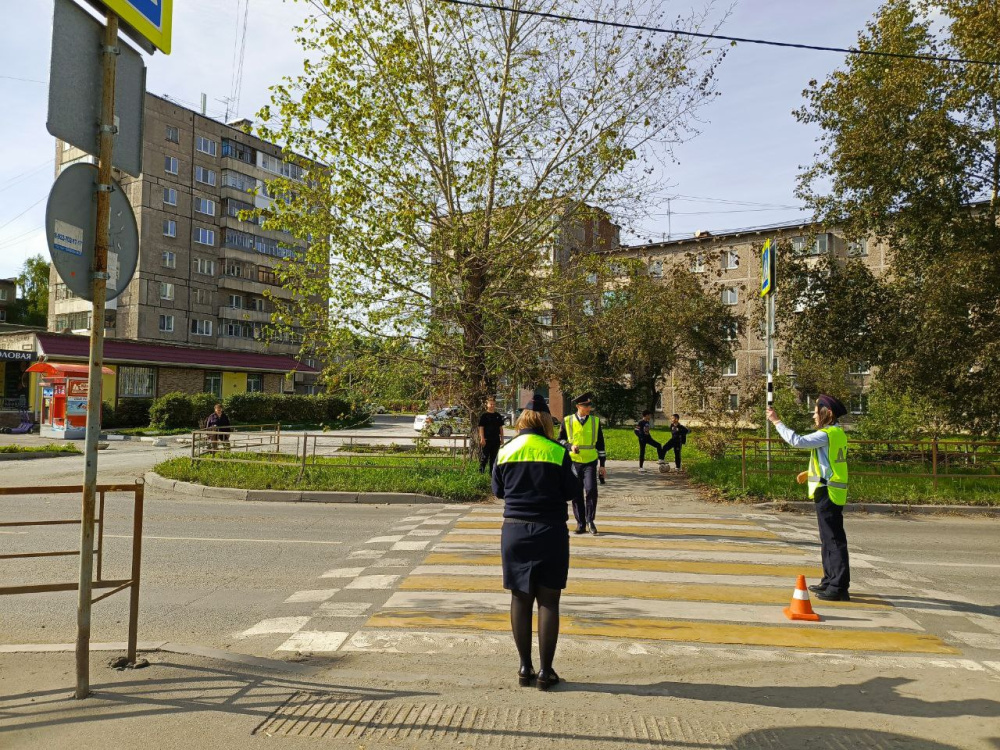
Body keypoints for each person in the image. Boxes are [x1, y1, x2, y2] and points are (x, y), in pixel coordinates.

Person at [492, 394, 577, 691]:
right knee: (549, 601)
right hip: (550, 531)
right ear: (545, 421)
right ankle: (546, 672)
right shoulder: (557, 452)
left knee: (520, 598)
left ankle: (524, 667)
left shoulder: (506, 450)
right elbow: (571, 491)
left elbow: (498, 491)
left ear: (521, 420)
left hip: (514, 531)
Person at [767, 395, 851, 601]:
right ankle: (830, 580)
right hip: (828, 488)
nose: (813, 415)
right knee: (827, 539)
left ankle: (839, 586)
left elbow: (798, 441)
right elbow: (829, 460)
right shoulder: (836, 433)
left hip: (828, 490)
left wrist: (776, 421)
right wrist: (809, 472)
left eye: (815, 411)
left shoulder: (827, 434)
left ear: (826, 413)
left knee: (833, 539)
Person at [558, 392, 606, 535]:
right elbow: (560, 440)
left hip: (590, 461)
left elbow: (601, 445)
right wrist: (570, 446)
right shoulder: (567, 420)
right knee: (576, 493)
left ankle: (590, 520)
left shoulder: (595, 421)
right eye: (586, 405)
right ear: (578, 406)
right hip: (574, 462)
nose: (589, 408)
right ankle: (581, 524)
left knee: (591, 490)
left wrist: (602, 465)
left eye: (589, 405)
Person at [478, 396, 505, 474]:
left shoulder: (498, 415)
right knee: (485, 457)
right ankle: (481, 472)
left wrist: (502, 439)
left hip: (496, 440)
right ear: (487, 405)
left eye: (493, 404)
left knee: (494, 458)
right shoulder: (484, 416)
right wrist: (482, 438)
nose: (492, 406)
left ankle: (492, 474)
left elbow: (501, 428)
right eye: (491, 404)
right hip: (486, 440)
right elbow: (481, 428)